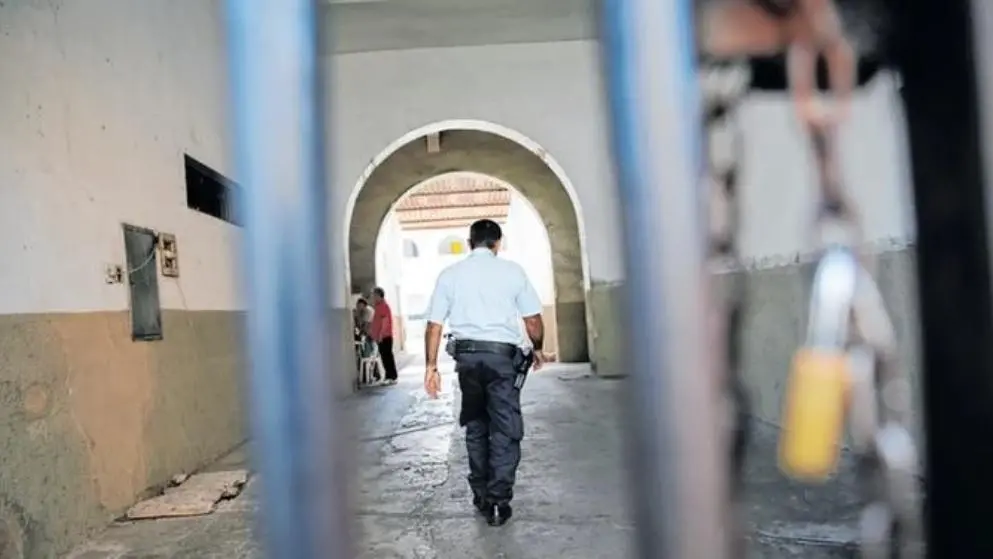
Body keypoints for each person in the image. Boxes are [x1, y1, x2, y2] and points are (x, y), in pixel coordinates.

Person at [423, 219, 546, 526]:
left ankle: (481, 496)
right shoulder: (512, 272)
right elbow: (532, 319)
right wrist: (538, 348)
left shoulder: (450, 275)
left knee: (477, 427)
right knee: (505, 429)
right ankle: (498, 501)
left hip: (468, 361)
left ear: (470, 243)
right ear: (497, 243)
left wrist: (431, 366)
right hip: (502, 361)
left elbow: (434, 325)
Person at [370, 287, 399, 385]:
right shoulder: (378, 306)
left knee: (387, 357)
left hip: (385, 336)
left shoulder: (383, 306)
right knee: (385, 357)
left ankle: (392, 377)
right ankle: (389, 376)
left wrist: (380, 335)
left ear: (379, 295)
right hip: (381, 337)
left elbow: (385, 322)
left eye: (374, 295)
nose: (373, 297)